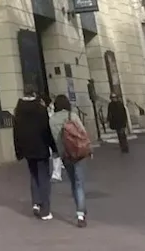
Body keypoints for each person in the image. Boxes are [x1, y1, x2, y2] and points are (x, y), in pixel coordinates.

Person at [12, 84, 57, 220]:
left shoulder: (18, 110)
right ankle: (45, 209)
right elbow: (46, 130)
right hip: (41, 147)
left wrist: (19, 151)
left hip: (27, 149)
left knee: (33, 174)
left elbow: (16, 133)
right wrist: (54, 148)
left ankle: (36, 203)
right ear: (34, 94)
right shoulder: (40, 109)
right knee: (43, 177)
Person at [48, 94, 90, 227]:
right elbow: (83, 133)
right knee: (80, 183)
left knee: (73, 182)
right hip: (78, 153)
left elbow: (54, 139)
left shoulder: (52, 120)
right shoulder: (72, 116)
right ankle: (81, 212)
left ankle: (79, 209)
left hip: (65, 155)